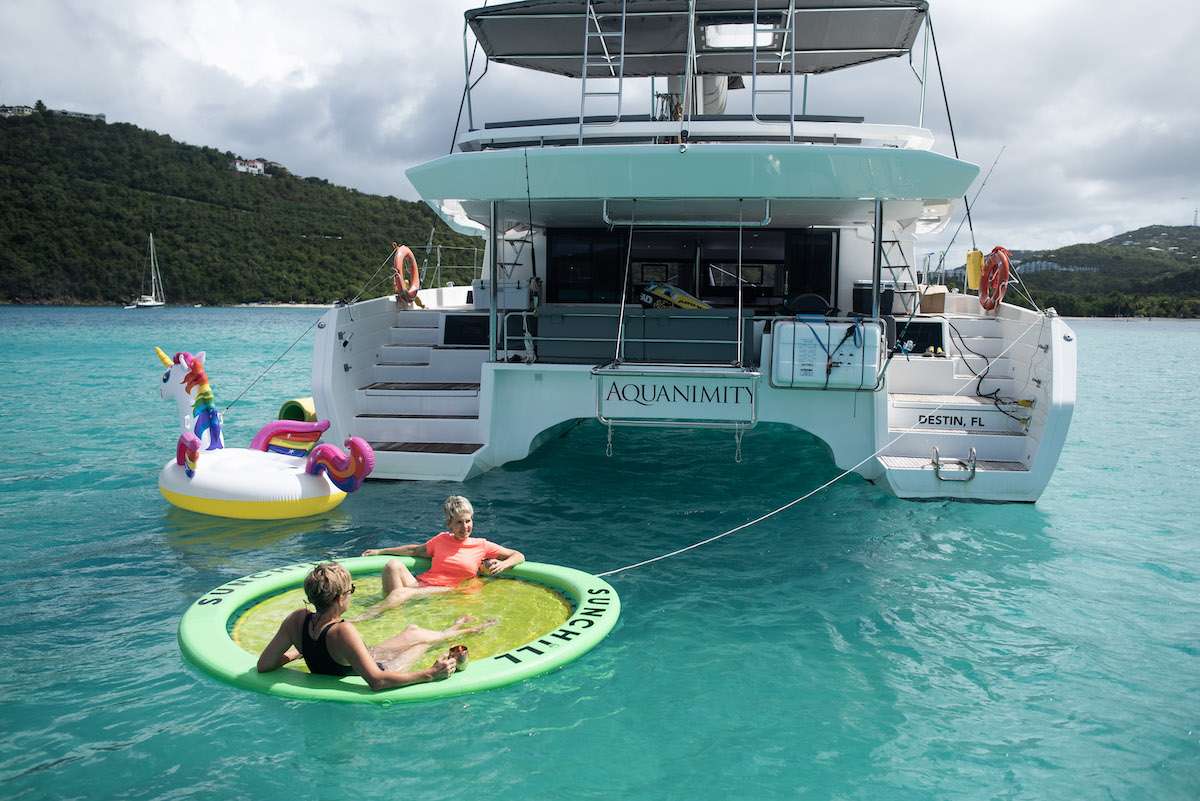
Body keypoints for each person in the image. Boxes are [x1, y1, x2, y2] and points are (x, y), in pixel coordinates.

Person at [256, 562, 492, 690]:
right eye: (351, 591)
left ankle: (454, 629)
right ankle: (462, 630)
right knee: (419, 643)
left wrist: (301, 650)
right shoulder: (341, 631)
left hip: (361, 656)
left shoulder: (297, 619)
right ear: (340, 598)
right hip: (386, 666)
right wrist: (429, 674)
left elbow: (264, 665)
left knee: (412, 631)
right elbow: (377, 681)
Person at [356, 495, 524, 621]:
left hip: (449, 589)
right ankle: (392, 613)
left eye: (468, 521)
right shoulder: (441, 539)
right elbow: (414, 550)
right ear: (449, 523)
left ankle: (361, 619)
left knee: (401, 593)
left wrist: (503, 564)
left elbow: (518, 555)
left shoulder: (481, 545)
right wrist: (380, 551)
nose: (465, 527)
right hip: (422, 583)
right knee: (392, 565)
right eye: (459, 522)